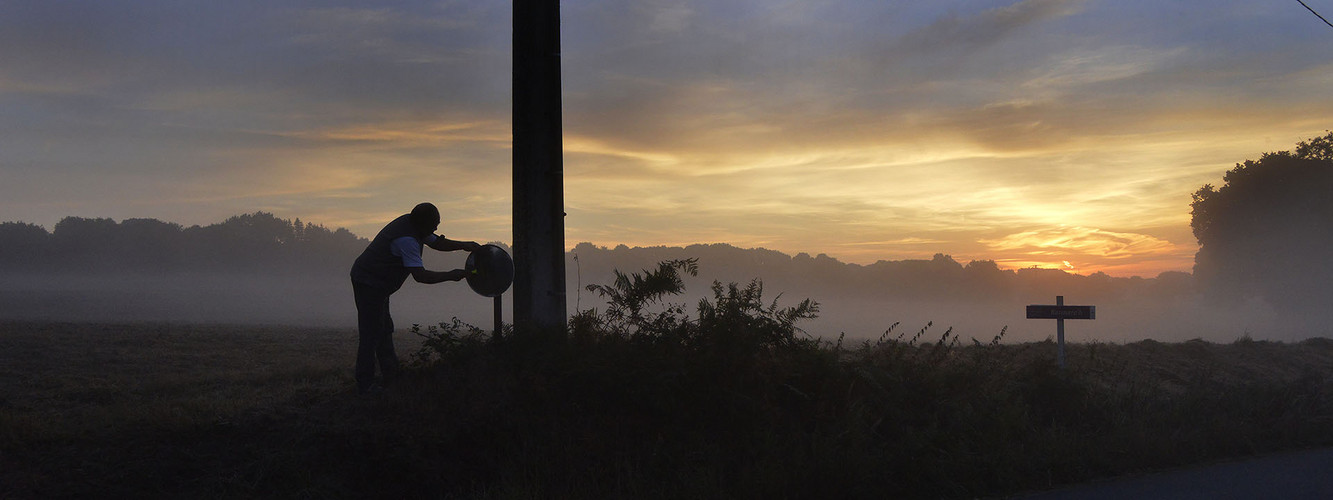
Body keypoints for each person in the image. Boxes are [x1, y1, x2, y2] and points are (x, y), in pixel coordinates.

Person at [349, 202, 480, 393]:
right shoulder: (407, 240)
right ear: (423, 224)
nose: (436, 228)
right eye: (434, 224)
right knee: (372, 332)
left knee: (383, 327)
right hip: (369, 283)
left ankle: (391, 375)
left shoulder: (412, 224)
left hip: (375, 282)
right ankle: (366, 385)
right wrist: (452, 275)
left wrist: (464, 246)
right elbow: (421, 276)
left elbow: (437, 242)